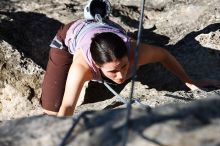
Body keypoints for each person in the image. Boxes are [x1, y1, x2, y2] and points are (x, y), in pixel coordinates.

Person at [40, 1, 220, 116]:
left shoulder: (135, 52)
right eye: (112, 71)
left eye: (124, 66)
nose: (120, 76)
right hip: (69, 37)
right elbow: (68, 107)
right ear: (95, 65)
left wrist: (189, 82)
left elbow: (164, 55)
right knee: (51, 110)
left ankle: (101, 20)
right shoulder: (81, 67)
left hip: (109, 31)